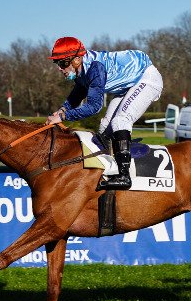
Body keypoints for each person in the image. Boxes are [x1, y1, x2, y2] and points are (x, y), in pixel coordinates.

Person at [46, 36, 163, 190]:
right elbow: (78, 93)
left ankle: (124, 176)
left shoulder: (95, 68)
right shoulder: (81, 69)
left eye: (62, 63)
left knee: (120, 121)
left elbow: (94, 106)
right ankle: (108, 170)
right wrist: (61, 110)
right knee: (104, 128)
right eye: (57, 63)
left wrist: (63, 116)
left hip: (146, 79)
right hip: (127, 86)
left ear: (76, 60)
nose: (60, 68)